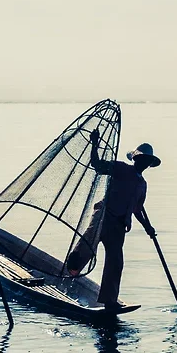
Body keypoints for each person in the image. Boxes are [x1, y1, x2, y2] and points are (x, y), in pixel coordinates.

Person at [64, 130, 160, 311]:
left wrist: (148, 227)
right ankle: (68, 274)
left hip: (119, 225)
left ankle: (109, 301)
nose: (144, 163)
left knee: (115, 262)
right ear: (135, 159)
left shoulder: (142, 184)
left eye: (147, 161)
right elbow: (98, 165)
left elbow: (137, 210)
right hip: (103, 217)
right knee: (85, 248)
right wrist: (95, 143)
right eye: (141, 159)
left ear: (149, 164)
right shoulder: (121, 168)